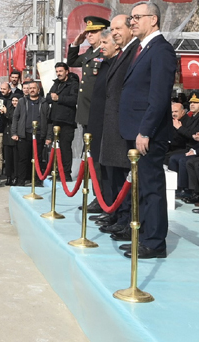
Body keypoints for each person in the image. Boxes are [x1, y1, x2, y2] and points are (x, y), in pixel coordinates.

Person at [118, 1, 177, 259]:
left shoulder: (161, 50)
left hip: (147, 133)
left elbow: (159, 97)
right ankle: (142, 237)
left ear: (153, 19)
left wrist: (145, 131)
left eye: (137, 17)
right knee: (141, 188)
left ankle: (154, 243)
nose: (132, 22)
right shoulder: (144, 48)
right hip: (135, 130)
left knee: (151, 188)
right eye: (131, 18)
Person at [94, 14, 138, 233]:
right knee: (116, 176)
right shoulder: (121, 55)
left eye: (117, 29)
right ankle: (118, 216)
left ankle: (124, 219)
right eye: (112, 30)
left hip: (123, 126)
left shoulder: (133, 52)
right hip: (113, 125)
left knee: (124, 178)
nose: (113, 34)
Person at [84, 29, 116, 214]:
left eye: (104, 43)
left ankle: (108, 203)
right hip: (95, 119)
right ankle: (101, 199)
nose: (100, 47)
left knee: (107, 166)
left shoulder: (115, 64)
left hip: (107, 122)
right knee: (97, 163)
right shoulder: (103, 62)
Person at [68, 16, 109, 131]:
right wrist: (76, 44)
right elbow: (72, 61)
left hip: (98, 107)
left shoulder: (106, 53)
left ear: (104, 32)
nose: (89, 35)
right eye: (88, 32)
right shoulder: (90, 52)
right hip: (86, 109)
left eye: (94, 31)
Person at [11, 81, 50, 186]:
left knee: (38, 158)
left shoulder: (44, 102)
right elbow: (15, 117)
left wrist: (49, 136)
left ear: (38, 89)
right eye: (30, 88)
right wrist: (14, 132)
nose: (32, 90)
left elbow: (49, 120)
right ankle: (21, 181)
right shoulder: (22, 101)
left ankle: (37, 181)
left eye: (34, 88)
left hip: (39, 135)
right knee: (23, 159)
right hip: (24, 134)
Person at [47, 62, 79, 180]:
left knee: (65, 148)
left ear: (66, 71)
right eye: (57, 71)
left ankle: (66, 174)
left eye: (60, 71)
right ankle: (56, 171)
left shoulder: (73, 84)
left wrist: (59, 98)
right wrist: (53, 97)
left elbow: (74, 99)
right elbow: (48, 97)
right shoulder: (56, 84)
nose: (58, 73)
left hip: (67, 121)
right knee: (56, 148)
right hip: (55, 120)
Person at [2, 95, 19, 185]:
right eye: (13, 100)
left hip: (16, 136)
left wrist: (6, 113)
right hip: (7, 136)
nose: (14, 102)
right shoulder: (10, 108)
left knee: (15, 159)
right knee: (8, 159)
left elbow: (15, 119)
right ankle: (8, 176)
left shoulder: (20, 109)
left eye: (16, 100)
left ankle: (15, 177)